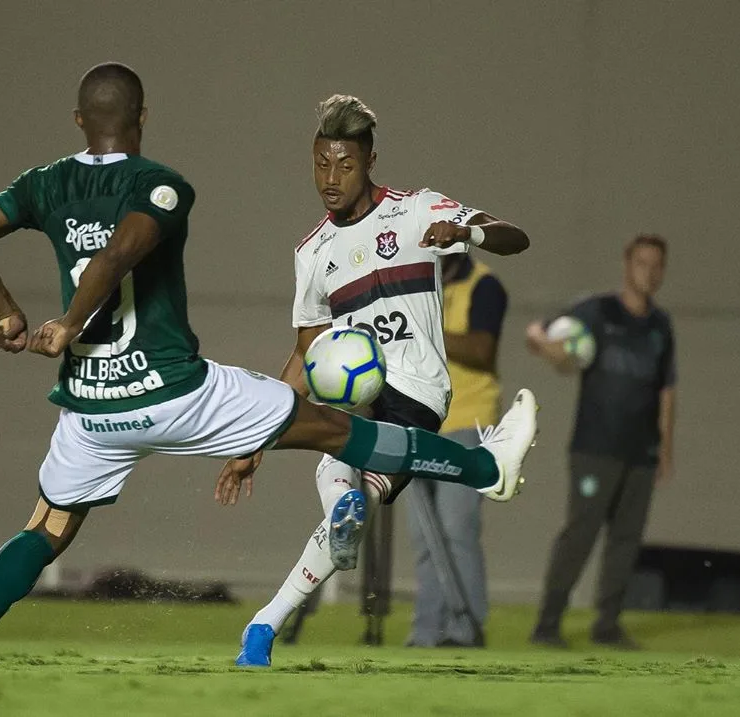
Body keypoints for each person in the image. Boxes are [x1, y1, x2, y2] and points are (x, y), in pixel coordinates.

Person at [0, 67, 537, 669]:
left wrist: (8, 313)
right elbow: (118, 255)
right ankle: (485, 466)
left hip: (92, 410)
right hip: (179, 392)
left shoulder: (44, 183)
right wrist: (65, 322)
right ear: (142, 116)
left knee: (47, 526)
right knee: (338, 433)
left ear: (77, 119)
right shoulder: (163, 186)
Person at [215, 95, 531, 668]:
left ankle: (461, 477)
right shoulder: (312, 254)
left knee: (336, 467)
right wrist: (257, 441)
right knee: (346, 488)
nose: (330, 179)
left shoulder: (417, 211)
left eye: (345, 165)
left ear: (371, 161)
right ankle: (264, 627)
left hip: (418, 396)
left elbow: (514, 237)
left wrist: (469, 235)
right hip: (361, 401)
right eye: (320, 164)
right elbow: (309, 353)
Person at [525, 234, 675, 649]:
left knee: (626, 540)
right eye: (643, 263)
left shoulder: (660, 326)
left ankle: (607, 624)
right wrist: (545, 344)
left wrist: (665, 447)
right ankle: (548, 623)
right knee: (581, 533)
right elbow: (545, 338)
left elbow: (667, 389)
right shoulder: (597, 311)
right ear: (627, 265)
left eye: (657, 265)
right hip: (595, 449)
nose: (650, 272)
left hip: (641, 452)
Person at [405, 252, 508, 648]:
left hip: (468, 423)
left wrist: (427, 330)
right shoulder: (414, 284)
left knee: (456, 528)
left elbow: (483, 351)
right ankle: (427, 632)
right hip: (420, 423)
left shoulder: (483, 285)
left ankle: (466, 627)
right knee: (424, 536)